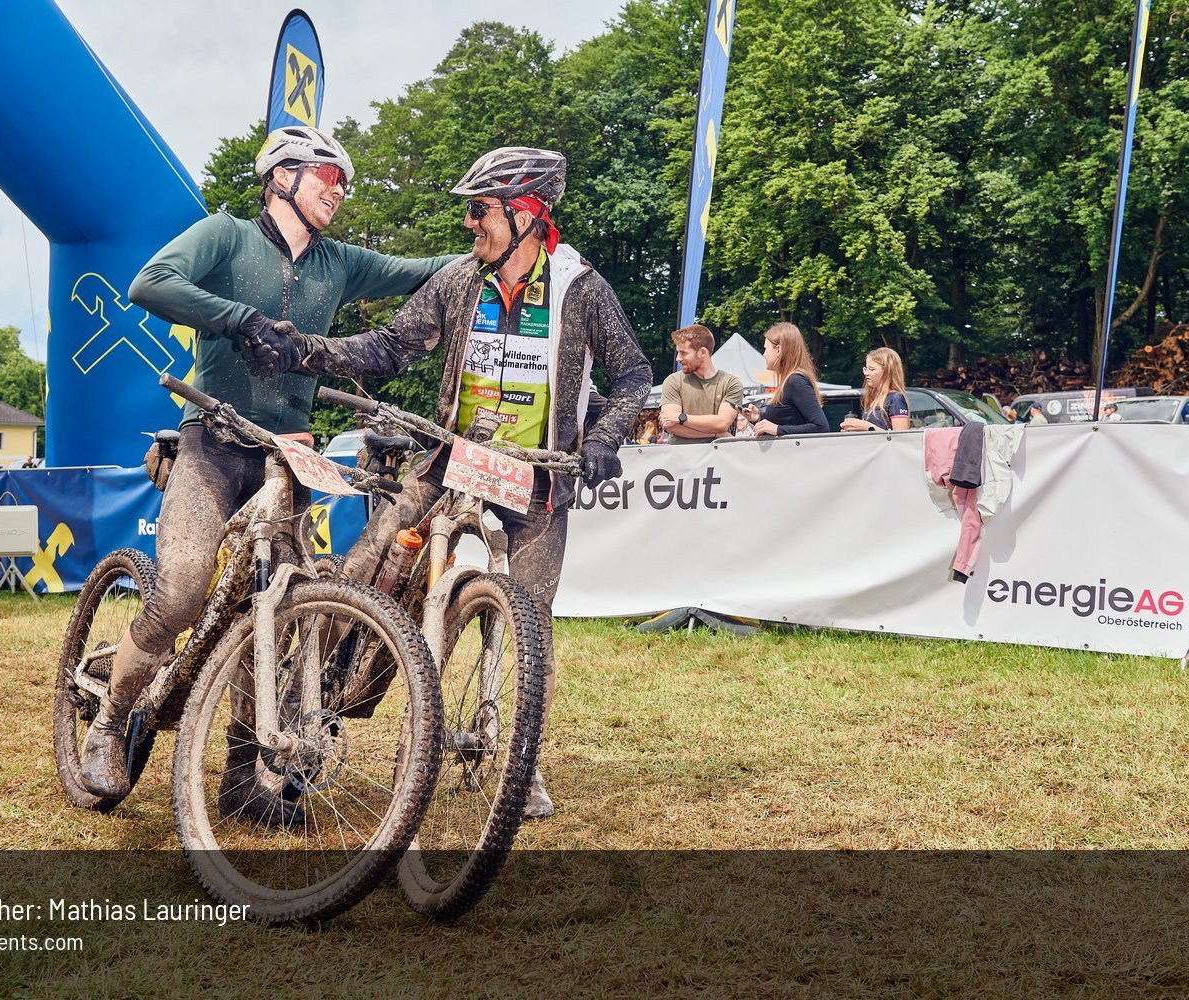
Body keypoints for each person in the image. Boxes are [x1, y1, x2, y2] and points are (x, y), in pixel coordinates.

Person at [261, 146, 653, 818]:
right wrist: (306, 349)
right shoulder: (461, 278)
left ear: (526, 214)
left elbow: (635, 374)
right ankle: (310, 705)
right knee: (365, 564)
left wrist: (604, 437)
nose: (470, 224)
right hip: (455, 459)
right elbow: (390, 346)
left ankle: (522, 763)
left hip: (537, 479)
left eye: (481, 211)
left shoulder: (580, 286)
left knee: (531, 620)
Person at [78, 125, 457, 809]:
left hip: (290, 456)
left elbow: (421, 269)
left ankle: (243, 774)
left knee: (277, 612)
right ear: (282, 176)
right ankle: (109, 721)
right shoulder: (225, 234)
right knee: (181, 592)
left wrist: (505, 252)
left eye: (344, 183)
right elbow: (148, 283)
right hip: (213, 441)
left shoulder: (339, 261)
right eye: (328, 176)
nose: (339, 191)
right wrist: (240, 319)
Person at [658, 324, 744, 444]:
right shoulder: (673, 381)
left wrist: (680, 418)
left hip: (717, 454)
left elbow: (722, 423)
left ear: (702, 352)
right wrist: (715, 433)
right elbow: (670, 426)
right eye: (678, 353)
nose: (678, 358)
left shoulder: (731, 383)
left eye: (683, 353)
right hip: (680, 454)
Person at [744, 322, 828, 436]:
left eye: (766, 348)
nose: (764, 354)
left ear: (778, 350)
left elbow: (821, 427)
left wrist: (778, 429)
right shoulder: (791, 381)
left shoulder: (795, 381)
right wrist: (758, 417)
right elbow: (790, 420)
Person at [841, 346, 910, 432]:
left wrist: (867, 427)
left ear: (887, 371)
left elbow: (901, 436)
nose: (866, 373)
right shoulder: (875, 399)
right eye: (866, 369)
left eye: (871, 369)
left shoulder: (895, 398)